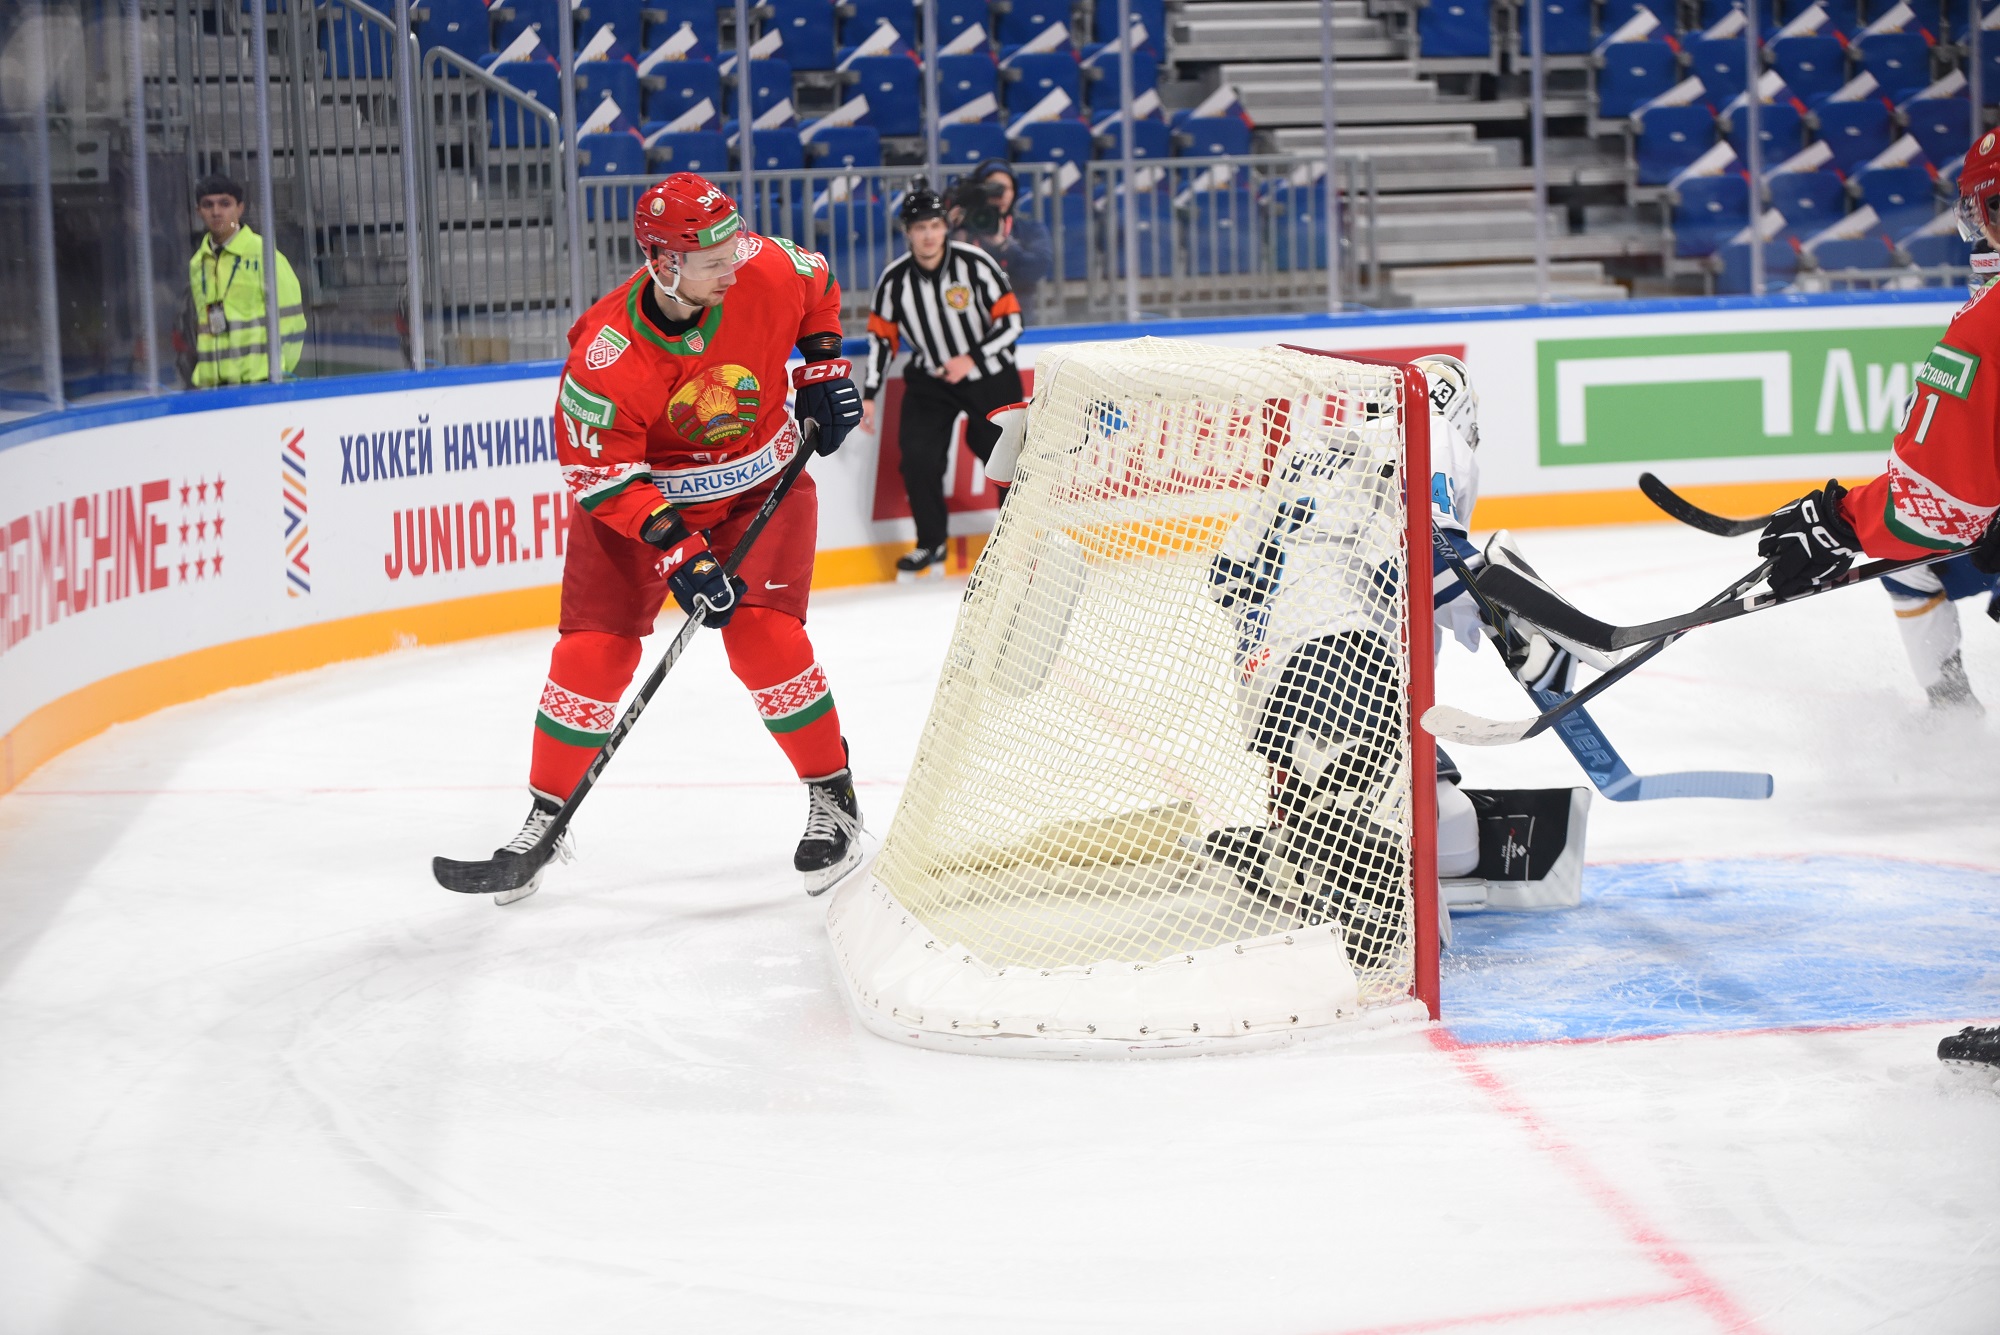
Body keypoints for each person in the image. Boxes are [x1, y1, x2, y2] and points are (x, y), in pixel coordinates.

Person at [489, 172, 865, 905]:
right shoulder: (607, 352)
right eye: (712, 260)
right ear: (664, 263)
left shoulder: (760, 265)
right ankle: (545, 814)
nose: (734, 267)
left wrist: (822, 365)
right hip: (644, 506)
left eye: (733, 249)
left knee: (764, 639)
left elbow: (817, 281)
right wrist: (677, 550)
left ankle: (833, 794)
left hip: (758, 483)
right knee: (591, 655)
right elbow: (599, 474)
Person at [1195, 353, 1589, 969]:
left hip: (1266, 679)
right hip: (1346, 657)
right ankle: (1367, 902)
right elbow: (1427, 548)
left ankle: (1293, 853)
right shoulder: (1427, 430)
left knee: (1346, 806)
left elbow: (1227, 574)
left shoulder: (1312, 452)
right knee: (1448, 833)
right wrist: (1512, 622)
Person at [1755, 130, 2000, 1072]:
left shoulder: (1986, 329)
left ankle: (1949, 700)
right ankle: (1951, 700)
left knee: (1910, 560)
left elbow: (1933, 503)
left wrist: (1837, 522)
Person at [863, 179, 1025, 578]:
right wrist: (869, 393)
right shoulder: (894, 280)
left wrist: (971, 358)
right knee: (918, 457)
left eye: (935, 225)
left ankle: (1016, 543)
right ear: (908, 232)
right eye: (920, 227)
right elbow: (881, 340)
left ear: (945, 227)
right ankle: (931, 543)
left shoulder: (976, 264)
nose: (929, 235)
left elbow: (1012, 322)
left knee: (1005, 458)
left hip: (990, 375)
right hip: (932, 380)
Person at [185, 173, 305, 387]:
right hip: (212, 386)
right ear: (198, 211)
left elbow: (292, 320)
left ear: (240, 208)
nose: (216, 212)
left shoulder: (264, 254)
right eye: (208, 205)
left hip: (259, 382)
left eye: (225, 204)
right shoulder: (197, 264)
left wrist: (279, 370)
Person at [949, 159, 1053, 324]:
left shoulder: (1029, 229)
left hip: (1017, 319)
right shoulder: (961, 227)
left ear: (1014, 192)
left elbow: (1037, 269)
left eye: (1007, 188)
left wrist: (1004, 245)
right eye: (994, 188)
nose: (1001, 195)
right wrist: (948, 231)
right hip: (965, 321)